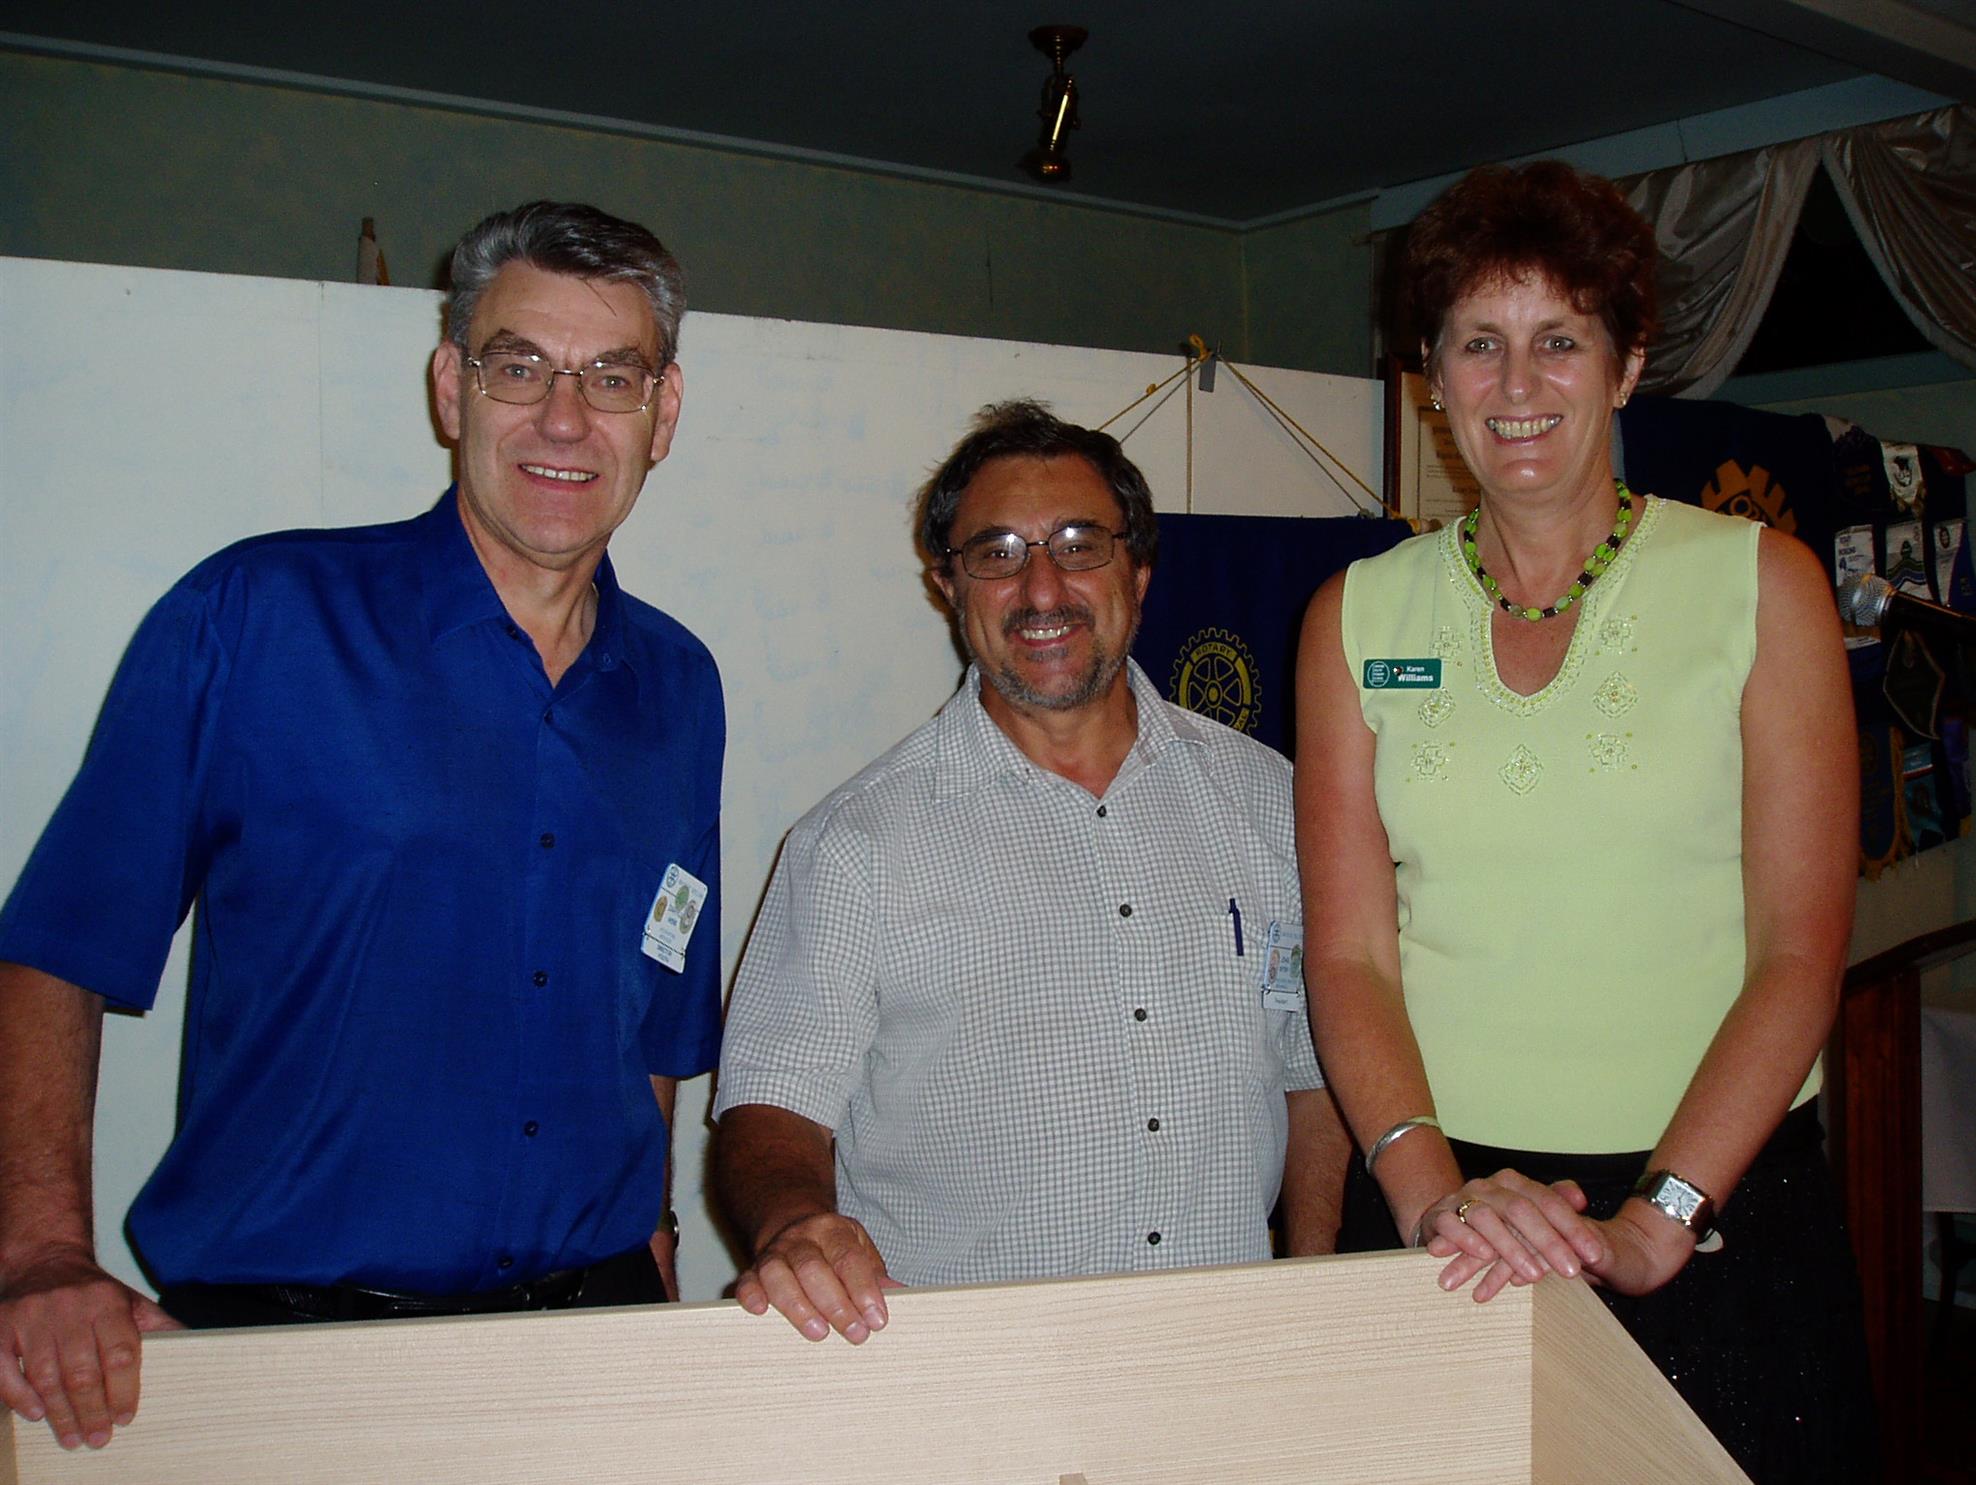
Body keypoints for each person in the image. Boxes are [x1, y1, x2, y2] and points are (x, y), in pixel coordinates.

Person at [0, 201, 723, 1450]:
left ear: (663, 413)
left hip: (591, 1344)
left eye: (612, 377)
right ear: (451, 388)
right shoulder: (256, 616)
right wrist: (39, 1255)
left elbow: (655, 1004)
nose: (564, 419)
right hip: (288, 1357)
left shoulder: (680, 686)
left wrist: (653, 1234)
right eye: (519, 367)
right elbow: (54, 949)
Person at [1294, 161, 1870, 1481]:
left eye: (1560, 339)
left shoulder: (1760, 586)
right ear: (1430, 376)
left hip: (1714, 1202)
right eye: (1477, 343)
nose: (1517, 382)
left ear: (1626, 365)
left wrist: (1660, 1218)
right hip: (1448, 1206)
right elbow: (1350, 955)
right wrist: (1431, 1198)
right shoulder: (1355, 618)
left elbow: (1799, 953)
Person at [711, 400, 1348, 1344]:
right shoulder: (854, 845)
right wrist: (796, 1221)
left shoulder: (1271, 801)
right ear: (948, 585)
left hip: (1223, 1354)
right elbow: (770, 1106)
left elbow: (1311, 1068)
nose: (1042, 588)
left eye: (1079, 545)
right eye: (998, 552)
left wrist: (1314, 1287)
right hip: (969, 1381)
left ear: (1139, 569)